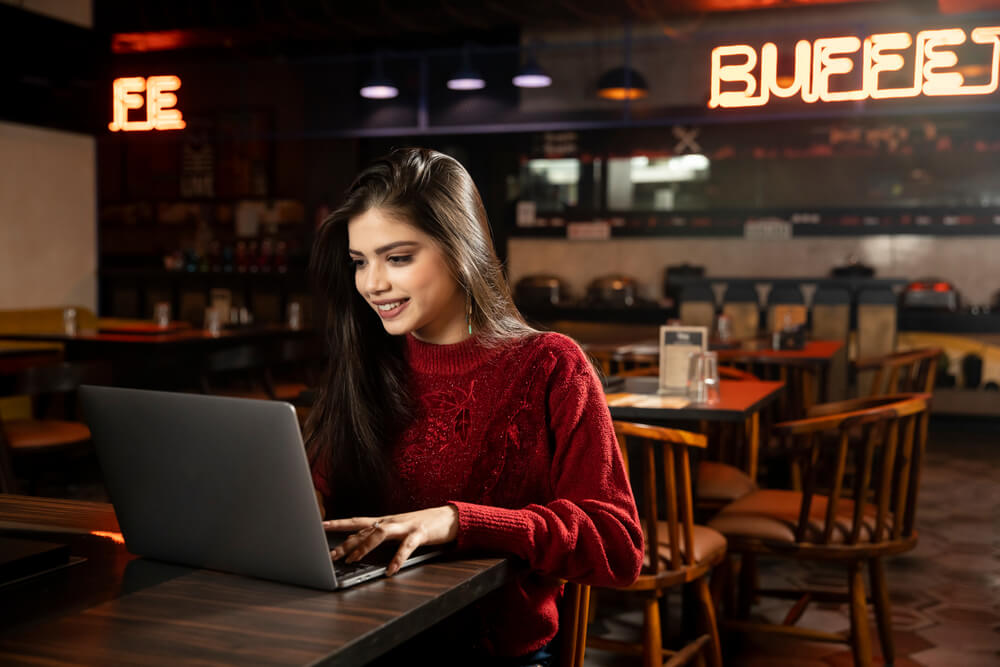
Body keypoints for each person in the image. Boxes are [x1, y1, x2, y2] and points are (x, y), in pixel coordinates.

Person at [306, 147, 642, 665]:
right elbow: (319, 503)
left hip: (491, 651)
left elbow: (617, 545)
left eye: (398, 258)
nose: (372, 284)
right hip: (360, 639)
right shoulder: (367, 362)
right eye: (360, 262)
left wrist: (459, 522)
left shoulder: (551, 365)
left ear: (460, 248)